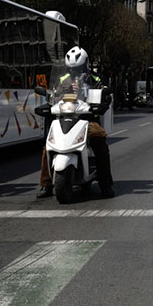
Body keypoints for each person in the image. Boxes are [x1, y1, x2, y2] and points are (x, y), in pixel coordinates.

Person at [36, 46, 114, 198]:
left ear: (85, 64)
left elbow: (104, 93)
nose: (75, 71)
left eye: (78, 68)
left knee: (99, 141)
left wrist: (103, 99)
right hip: (64, 118)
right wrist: (54, 98)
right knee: (48, 146)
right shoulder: (63, 79)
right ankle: (46, 185)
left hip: (88, 119)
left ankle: (106, 184)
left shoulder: (95, 79)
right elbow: (54, 96)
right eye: (72, 69)